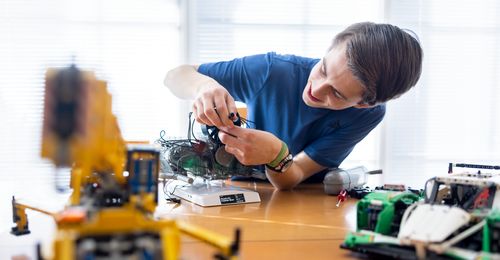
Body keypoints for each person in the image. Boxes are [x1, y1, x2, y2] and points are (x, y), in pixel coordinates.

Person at [164, 22, 423, 190]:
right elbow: (175, 76)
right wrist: (203, 86)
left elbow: (294, 175)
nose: (315, 89)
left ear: (363, 105)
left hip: (303, 203)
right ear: (330, 49)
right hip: (242, 193)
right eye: (323, 69)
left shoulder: (368, 115)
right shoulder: (272, 71)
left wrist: (276, 155)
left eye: (337, 93)